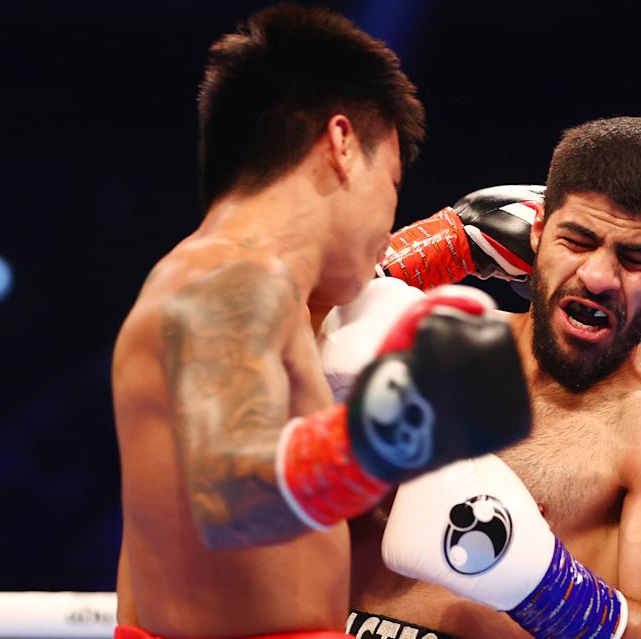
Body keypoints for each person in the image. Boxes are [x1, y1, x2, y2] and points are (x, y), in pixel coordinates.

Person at [111, 5, 531, 639]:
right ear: (341, 145)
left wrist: (449, 246)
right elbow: (231, 495)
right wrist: (397, 421)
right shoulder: (230, 281)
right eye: (392, 183)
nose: (387, 220)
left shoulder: (251, 289)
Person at [337, 117, 641, 638]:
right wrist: (432, 249)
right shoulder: (422, 347)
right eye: (578, 240)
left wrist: (547, 590)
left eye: (636, 259)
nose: (597, 277)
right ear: (538, 231)